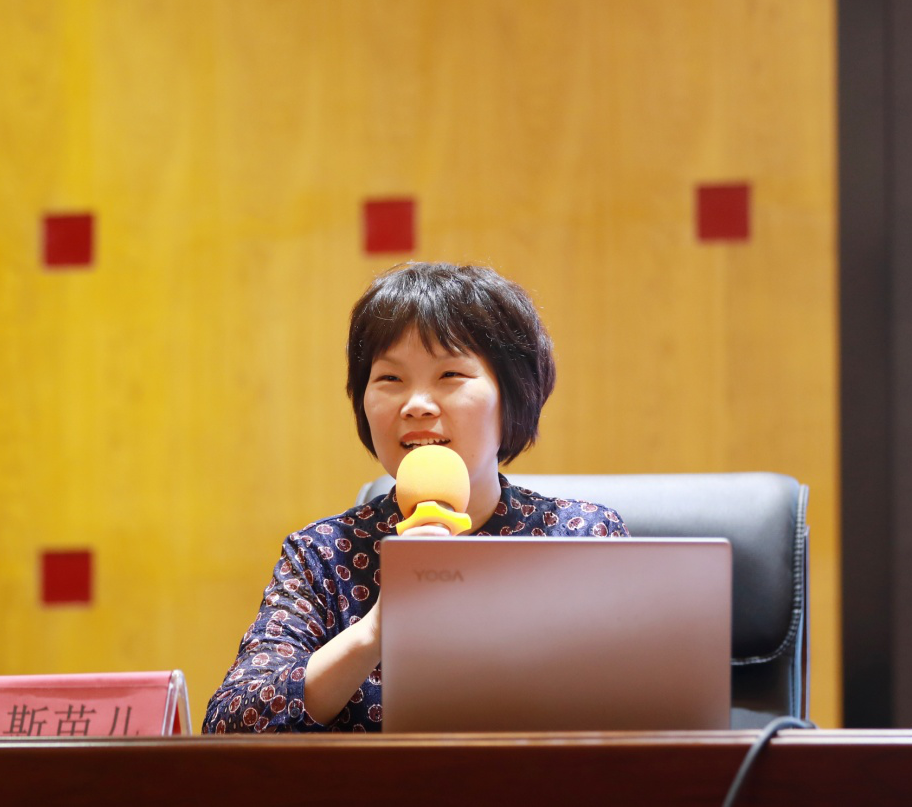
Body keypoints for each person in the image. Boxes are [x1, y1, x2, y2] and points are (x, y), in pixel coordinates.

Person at [203, 262, 628, 733]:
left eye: (450, 374)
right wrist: (373, 632)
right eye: (390, 379)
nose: (416, 405)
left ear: (512, 396)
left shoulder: (582, 538)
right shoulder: (322, 555)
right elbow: (230, 727)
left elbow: (647, 709)